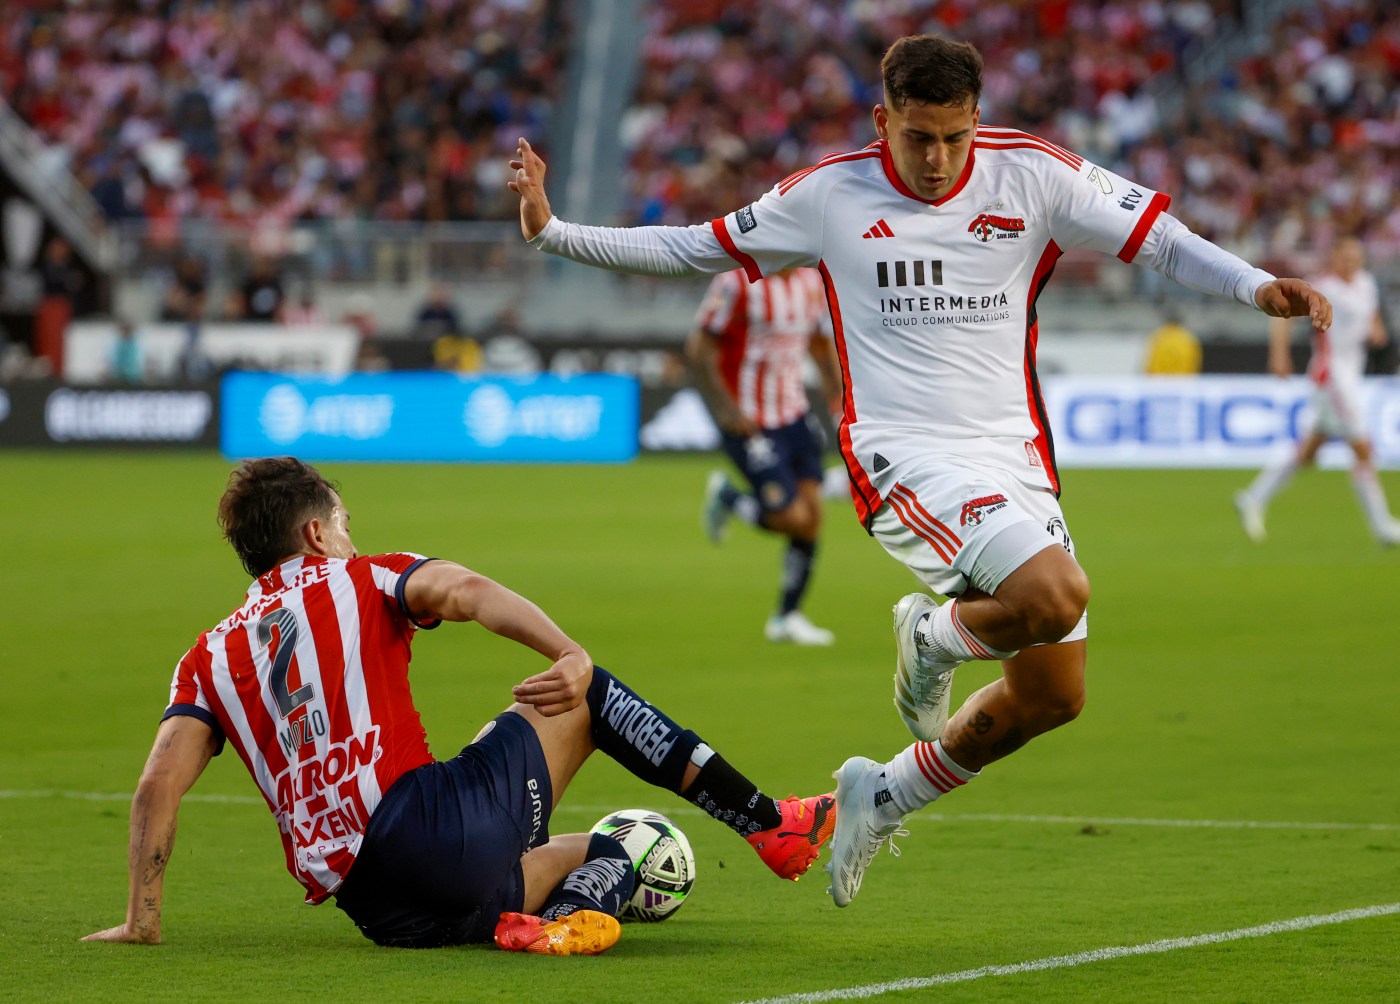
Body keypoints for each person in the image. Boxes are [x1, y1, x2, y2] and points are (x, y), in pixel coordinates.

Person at [506, 34, 1332, 907]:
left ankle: (885, 789)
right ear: (882, 120)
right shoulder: (828, 195)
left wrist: (1254, 286)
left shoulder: (1035, 173)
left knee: (1052, 696)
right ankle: (932, 638)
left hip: (1013, 456)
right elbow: (691, 249)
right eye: (917, 137)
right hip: (903, 455)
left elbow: (1156, 240)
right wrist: (551, 231)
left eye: (954, 137)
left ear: (978, 119)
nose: (937, 160)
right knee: (1057, 595)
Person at [82, 458, 835, 954]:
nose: (351, 538)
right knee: (584, 692)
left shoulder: (206, 657)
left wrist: (142, 919)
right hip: (431, 831)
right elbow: (469, 593)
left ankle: (552, 921)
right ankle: (771, 825)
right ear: (315, 534)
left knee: (605, 849)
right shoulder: (365, 578)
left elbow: (156, 788)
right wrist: (566, 653)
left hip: (382, 912)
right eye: (343, 525)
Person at [688, 267, 843, 645]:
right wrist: (725, 409)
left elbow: (820, 345)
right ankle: (730, 497)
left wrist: (839, 398)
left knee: (812, 519)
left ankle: (787, 617)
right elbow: (699, 347)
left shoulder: (812, 282)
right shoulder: (735, 283)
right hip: (749, 420)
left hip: (793, 414)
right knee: (789, 516)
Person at [1234, 238, 1398, 545]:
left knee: (1309, 451)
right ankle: (1383, 527)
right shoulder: (1322, 287)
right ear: (1333, 259)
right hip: (1331, 375)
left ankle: (1253, 497)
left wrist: (1376, 330)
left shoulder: (1366, 284)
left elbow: (1372, 317)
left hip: (1351, 373)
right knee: (1363, 448)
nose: (1350, 263)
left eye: (1355, 257)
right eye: (1344, 257)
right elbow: (1283, 321)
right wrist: (1279, 355)